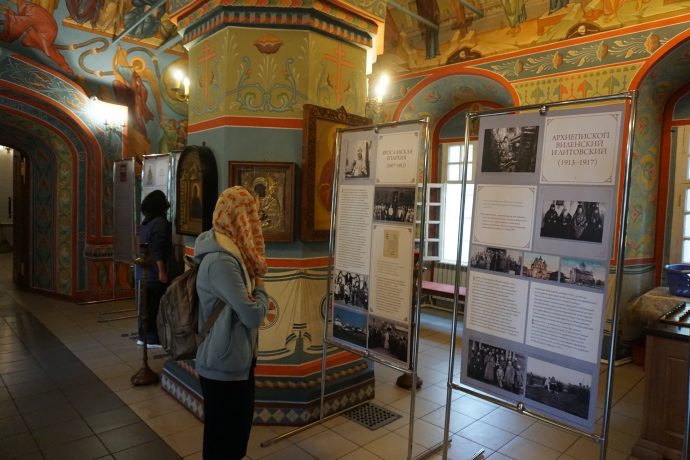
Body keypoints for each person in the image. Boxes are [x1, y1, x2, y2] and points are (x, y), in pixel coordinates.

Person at [194, 186, 269, 460]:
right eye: (250, 215)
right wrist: (260, 288)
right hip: (222, 365)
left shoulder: (234, 253)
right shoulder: (221, 260)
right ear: (238, 217)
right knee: (224, 443)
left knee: (233, 439)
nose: (254, 222)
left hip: (235, 362)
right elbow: (253, 315)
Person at [137, 190, 172, 347]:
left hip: (145, 272)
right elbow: (157, 250)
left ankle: (143, 335)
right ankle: (151, 338)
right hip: (154, 273)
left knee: (146, 307)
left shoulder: (146, 222)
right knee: (154, 307)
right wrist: (162, 272)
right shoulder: (159, 223)